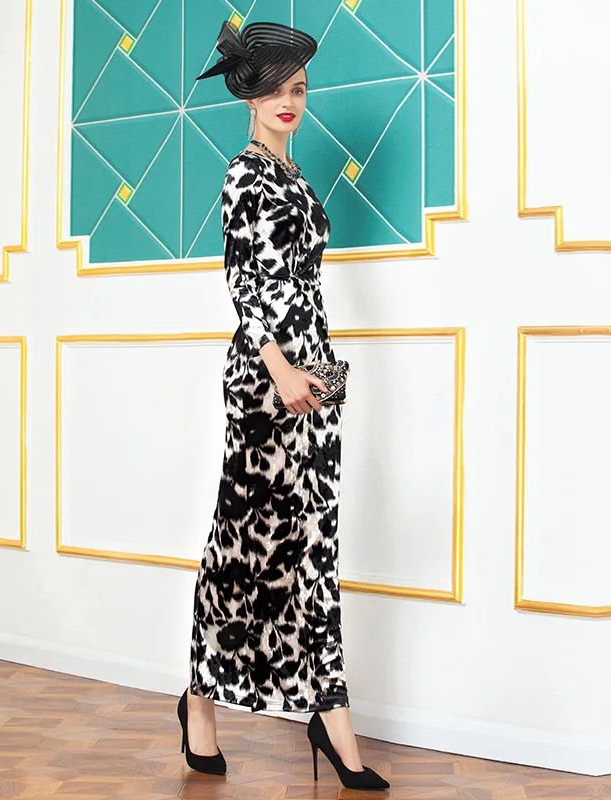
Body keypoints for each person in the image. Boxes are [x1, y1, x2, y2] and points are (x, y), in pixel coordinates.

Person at [176, 19, 390, 792]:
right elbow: (246, 282)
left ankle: (329, 714)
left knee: (313, 547)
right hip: (269, 378)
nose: (287, 100)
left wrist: (316, 369)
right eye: (273, 89)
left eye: (297, 87)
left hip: (315, 372)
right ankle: (201, 705)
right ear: (249, 96)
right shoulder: (245, 175)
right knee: (245, 547)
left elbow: (301, 284)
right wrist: (279, 367)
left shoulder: (294, 177)